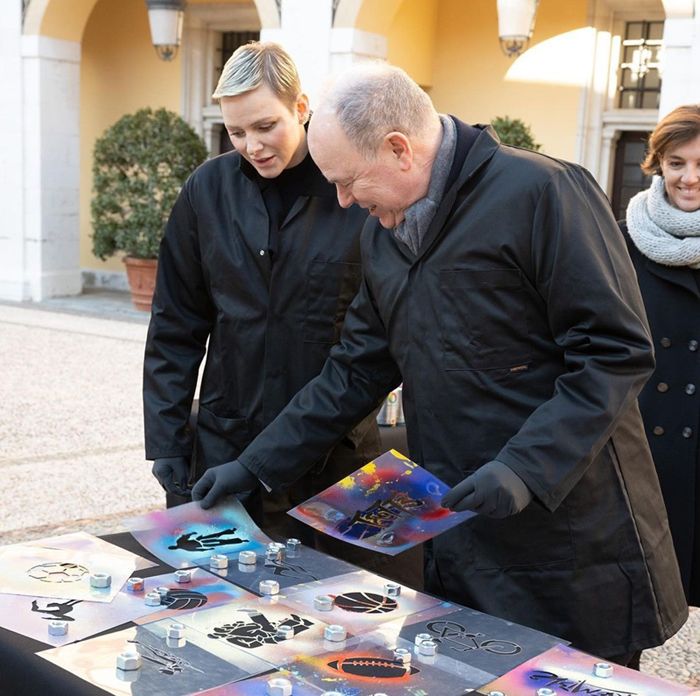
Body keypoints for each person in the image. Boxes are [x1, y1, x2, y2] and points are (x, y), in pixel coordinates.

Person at [191, 61, 688, 663]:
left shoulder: (543, 193)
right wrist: (257, 464)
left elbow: (615, 352)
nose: (344, 202)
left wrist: (526, 469)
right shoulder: (382, 231)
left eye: (349, 182)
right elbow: (355, 369)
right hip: (463, 528)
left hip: (572, 538)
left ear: (399, 149)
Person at [143, 43, 421, 587]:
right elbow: (175, 326)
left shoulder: (356, 192)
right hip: (225, 448)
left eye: (265, 125)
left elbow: (382, 342)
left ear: (301, 107)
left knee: (339, 613)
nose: (252, 145)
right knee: (218, 611)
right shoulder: (206, 190)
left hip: (336, 456)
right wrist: (168, 441)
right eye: (237, 132)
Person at [620, 104, 700, 606]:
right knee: (637, 591)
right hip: (643, 444)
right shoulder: (622, 238)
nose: (689, 179)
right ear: (657, 164)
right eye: (677, 163)